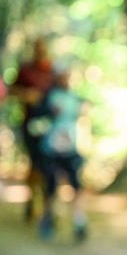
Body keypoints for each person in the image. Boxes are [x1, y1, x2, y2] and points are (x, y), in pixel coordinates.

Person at [28, 62, 88, 242]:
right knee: (51, 185)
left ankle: (79, 221)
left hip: (70, 149)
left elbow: (82, 120)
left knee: (76, 185)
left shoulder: (76, 98)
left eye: (68, 75)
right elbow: (35, 119)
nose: (66, 78)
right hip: (50, 148)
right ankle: (47, 219)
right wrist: (48, 112)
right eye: (63, 75)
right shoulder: (49, 97)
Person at [11, 38, 53, 222]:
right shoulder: (25, 69)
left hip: (51, 124)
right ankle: (32, 198)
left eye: (43, 49)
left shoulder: (53, 70)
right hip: (30, 122)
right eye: (37, 49)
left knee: (48, 163)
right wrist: (26, 95)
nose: (40, 52)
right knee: (35, 161)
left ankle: (46, 202)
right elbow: (11, 90)